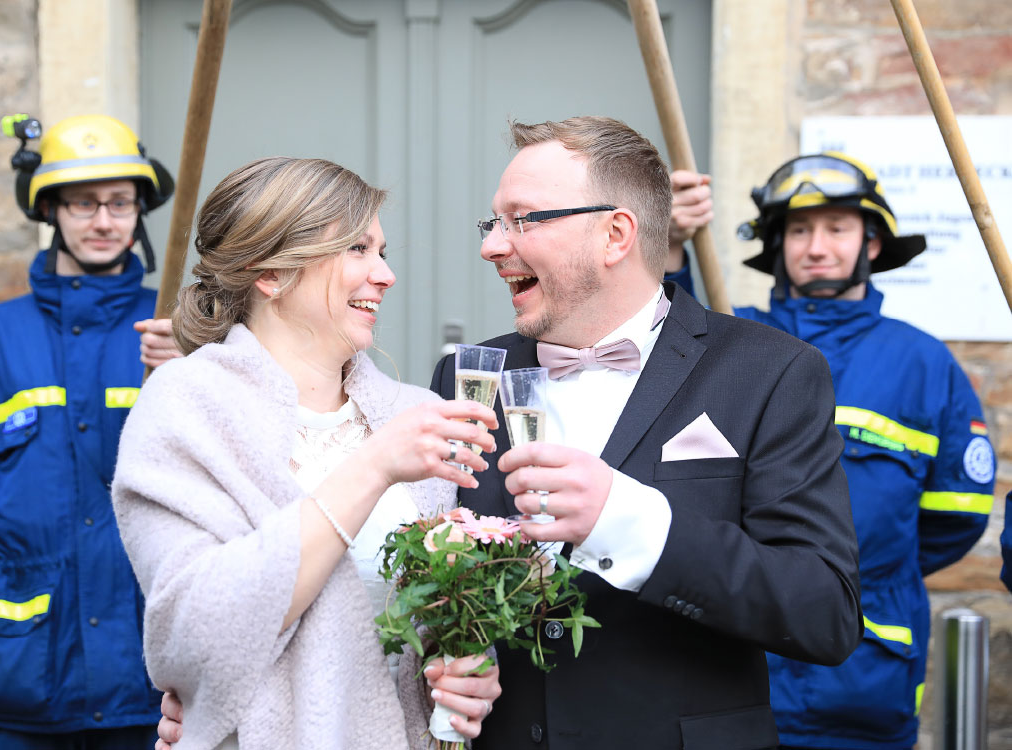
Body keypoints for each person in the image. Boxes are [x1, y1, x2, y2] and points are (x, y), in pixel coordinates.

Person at [427, 116, 863, 749]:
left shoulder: (771, 372)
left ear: (615, 233)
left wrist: (630, 522)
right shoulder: (466, 376)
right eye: (493, 222)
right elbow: (442, 570)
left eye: (523, 220)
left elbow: (823, 613)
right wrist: (446, 654)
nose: (494, 245)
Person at [110, 156, 503, 750]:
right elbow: (193, 635)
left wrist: (472, 672)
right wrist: (372, 468)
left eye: (383, 251)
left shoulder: (410, 413)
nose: (386, 274)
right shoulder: (185, 407)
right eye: (357, 249)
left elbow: (437, 621)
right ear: (270, 273)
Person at [668, 153, 996, 749]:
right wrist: (668, 245)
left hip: (864, 686)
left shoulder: (925, 365)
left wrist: (845, 577)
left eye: (837, 228)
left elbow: (957, 518)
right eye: (799, 229)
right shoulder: (726, 338)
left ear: (872, 243)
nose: (817, 246)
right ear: (777, 244)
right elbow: (653, 345)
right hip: (731, 682)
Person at [0, 114, 181, 749]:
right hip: (25, 667)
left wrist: (189, 374)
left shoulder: (175, 329)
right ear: (50, 211)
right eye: (83, 203)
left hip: (144, 672)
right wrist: (32, 547)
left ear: (140, 210)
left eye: (120, 203)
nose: (103, 221)